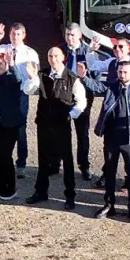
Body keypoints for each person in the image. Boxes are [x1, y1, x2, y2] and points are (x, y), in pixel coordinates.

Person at [28, 45, 87, 209]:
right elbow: (27, 90)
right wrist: (32, 77)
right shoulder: (42, 75)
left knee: (67, 161)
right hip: (43, 124)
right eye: (50, 56)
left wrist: (71, 114)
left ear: (62, 57)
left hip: (62, 125)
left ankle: (70, 196)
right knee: (43, 160)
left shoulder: (72, 78)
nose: (53, 59)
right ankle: (41, 192)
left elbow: (81, 101)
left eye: (55, 56)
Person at [91, 57, 130, 222]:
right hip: (111, 139)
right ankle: (109, 205)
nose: (122, 75)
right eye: (120, 72)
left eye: (125, 72)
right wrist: (83, 77)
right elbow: (95, 86)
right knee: (109, 173)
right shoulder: (111, 87)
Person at [0, 51, 39, 200]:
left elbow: (17, 79)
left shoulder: (10, 77)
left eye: (0, 64)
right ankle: (2, 185)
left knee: (5, 156)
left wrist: (13, 64)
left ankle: (10, 188)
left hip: (10, 124)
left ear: (6, 64)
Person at [0, 23, 40, 170]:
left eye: (18, 34)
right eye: (12, 34)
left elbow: (34, 76)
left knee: (20, 129)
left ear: (23, 35)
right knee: (0, 124)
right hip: (4, 93)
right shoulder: (3, 48)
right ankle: (0, 163)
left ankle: (21, 163)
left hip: (21, 93)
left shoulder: (31, 53)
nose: (15, 37)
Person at [62, 24, 99, 182]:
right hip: (63, 95)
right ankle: (58, 163)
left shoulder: (88, 50)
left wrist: (90, 55)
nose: (70, 38)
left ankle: (84, 166)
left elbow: (95, 74)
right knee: (61, 131)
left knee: (82, 133)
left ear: (80, 36)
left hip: (82, 96)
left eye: (73, 35)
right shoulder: (61, 50)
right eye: (68, 34)